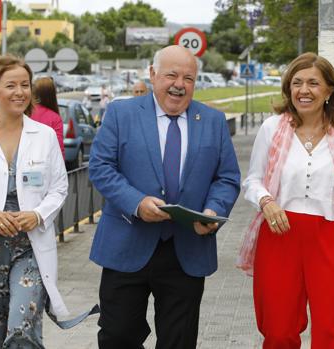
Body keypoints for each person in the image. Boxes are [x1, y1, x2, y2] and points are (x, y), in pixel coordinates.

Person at [89, 45, 241, 349]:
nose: (179, 84)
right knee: (117, 335)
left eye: (188, 78)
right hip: (126, 244)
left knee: (179, 341)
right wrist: (136, 202)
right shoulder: (121, 113)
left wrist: (212, 212)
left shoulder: (212, 121)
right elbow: (100, 167)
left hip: (186, 249)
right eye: (171, 75)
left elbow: (227, 178)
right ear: (152, 74)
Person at [0, 55, 97, 348]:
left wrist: (37, 215)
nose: (19, 92)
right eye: (10, 85)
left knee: (22, 328)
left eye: (25, 85)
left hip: (30, 249)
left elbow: (59, 187)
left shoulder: (45, 136)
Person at [238, 52, 334, 349]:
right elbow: (252, 180)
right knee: (278, 330)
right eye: (296, 82)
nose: (303, 90)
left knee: (333, 332)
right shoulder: (272, 127)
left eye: (313, 83)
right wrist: (266, 201)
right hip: (280, 235)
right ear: (288, 88)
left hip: (330, 239)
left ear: (329, 91)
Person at [31, 77, 65, 158]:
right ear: (52, 95)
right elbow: (58, 149)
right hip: (46, 164)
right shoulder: (55, 118)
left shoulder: (24, 113)